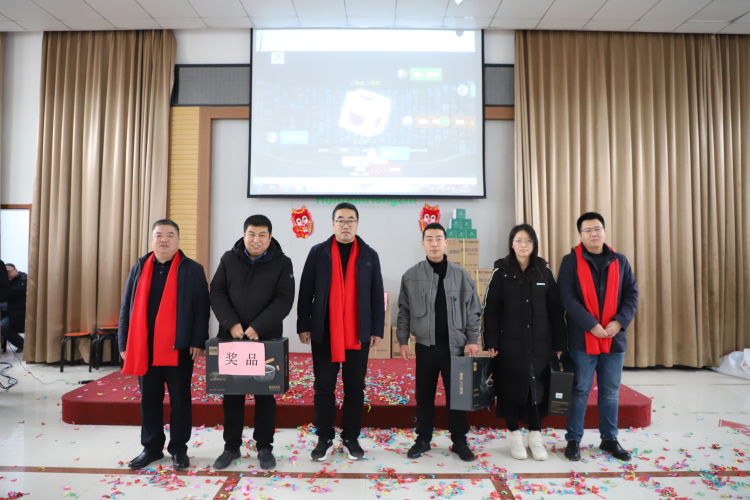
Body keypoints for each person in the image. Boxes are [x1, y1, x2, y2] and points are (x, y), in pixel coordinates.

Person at [117, 219, 209, 470]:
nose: (164, 240)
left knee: (180, 400)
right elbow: (126, 307)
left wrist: (198, 340)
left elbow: (202, 308)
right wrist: (123, 343)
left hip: (179, 348)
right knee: (149, 399)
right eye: (159, 235)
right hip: (144, 347)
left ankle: (179, 449)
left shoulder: (192, 269)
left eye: (170, 235)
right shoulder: (139, 267)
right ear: (152, 239)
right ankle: (151, 448)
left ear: (178, 240)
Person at [297, 202, 385, 461]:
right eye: (340, 220)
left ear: (357, 224)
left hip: (358, 332)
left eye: (350, 220)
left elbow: (376, 294)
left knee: (355, 388)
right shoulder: (318, 252)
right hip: (324, 332)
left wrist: (376, 328)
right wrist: (304, 324)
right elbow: (306, 290)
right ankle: (324, 438)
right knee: (323, 387)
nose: (345, 225)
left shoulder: (369, 255)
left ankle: (351, 437)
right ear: (333, 223)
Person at [209, 215, 294, 471]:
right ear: (244, 235)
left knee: (265, 396)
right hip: (232, 338)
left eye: (262, 235)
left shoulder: (282, 263)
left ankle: (264, 447)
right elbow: (217, 292)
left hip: (265, 340)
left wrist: (259, 326)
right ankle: (231, 447)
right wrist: (231, 323)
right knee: (232, 395)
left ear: (270, 237)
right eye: (251, 234)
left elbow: (284, 299)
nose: (256, 240)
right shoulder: (228, 259)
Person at [396, 222, 481, 462]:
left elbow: (473, 310)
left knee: (458, 397)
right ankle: (423, 439)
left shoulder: (461, 275)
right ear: (423, 244)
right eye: (429, 239)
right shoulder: (411, 276)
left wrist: (473, 339)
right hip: (426, 347)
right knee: (424, 396)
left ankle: (460, 441)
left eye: (438, 239)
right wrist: (402, 340)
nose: (434, 243)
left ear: (446, 243)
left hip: (455, 348)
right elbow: (403, 311)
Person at [558, 212, 638, 462]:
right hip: (583, 338)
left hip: (614, 338)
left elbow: (631, 294)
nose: (593, 233)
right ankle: (573, 439)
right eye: (588, 230)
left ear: (604, 231)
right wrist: (591, 325)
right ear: (580, 235)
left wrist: (619, 321)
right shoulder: (570, 261)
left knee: (610, 392)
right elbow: (567, 297)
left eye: (597, 228)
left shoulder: (620, 261)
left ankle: (609, 438)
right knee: (580, 390)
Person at [483, 224, 565, 461]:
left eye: (528, 241)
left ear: (534, 244)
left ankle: (536, 437)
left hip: (540, 344)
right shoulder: (501, 272)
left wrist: (559, 343)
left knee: (536, 388)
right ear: (512, 243)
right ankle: (514, 436)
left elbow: (556, 311)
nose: (523, 245)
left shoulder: (544, 272)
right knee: (510, 389)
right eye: (518, 240)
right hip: (509, 345)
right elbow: (491, 311)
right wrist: (491, 341)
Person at [2, 263, 27, 353]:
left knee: (4, 327)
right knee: (4, 327)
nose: (7, 274)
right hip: (10, 311)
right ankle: (22, 344)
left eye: (8, 271)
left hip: (22, 312)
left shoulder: (24, 278)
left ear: (15, 270)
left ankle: (24, 345)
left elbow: (16, 292)